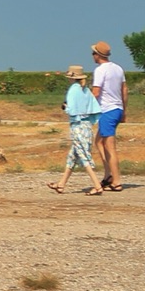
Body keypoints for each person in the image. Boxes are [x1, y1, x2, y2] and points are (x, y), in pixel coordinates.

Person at [50, 65, 106, 195]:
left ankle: (97, 186)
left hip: (77, 126)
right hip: (87, 126)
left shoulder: (73, 90)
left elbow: (72, 110)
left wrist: (65, 108)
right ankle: (61, 184)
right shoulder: (85, 90)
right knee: (73, 156)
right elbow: (93, 108)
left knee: (83, 155)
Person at [91, 41, 127, 191]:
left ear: (98, 55)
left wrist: (85, 107)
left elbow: (96, 92)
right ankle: (108, 175)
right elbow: (124, 90)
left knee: (109, 146)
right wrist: (124, 111)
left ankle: (116, 181)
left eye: (93, 53)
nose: (92, 56)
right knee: (99, 142)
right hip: (117, 109)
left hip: (107, 110)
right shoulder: (118, 68)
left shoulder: (100, 70)